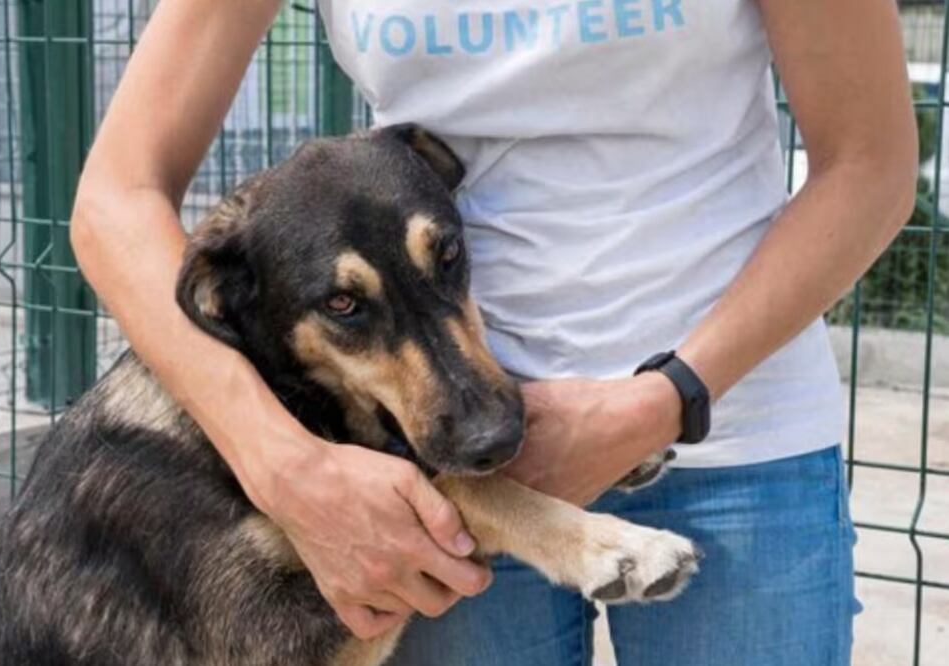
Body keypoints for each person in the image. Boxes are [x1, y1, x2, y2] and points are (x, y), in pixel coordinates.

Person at [70, 1, 917, 664]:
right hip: (435, 487)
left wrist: (668, 399)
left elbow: (870, 167)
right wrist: (287, 466)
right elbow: (115, 198)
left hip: (733, 442)